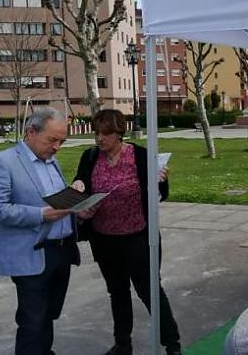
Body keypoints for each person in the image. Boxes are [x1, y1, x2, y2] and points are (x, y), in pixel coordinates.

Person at [71, 109, 182, 355]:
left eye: (106, 134)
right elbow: (81, 184)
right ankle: (123, 344)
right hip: (104, 238)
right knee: (117, 292)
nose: (100, 139)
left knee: (150, 291)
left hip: (138, 236)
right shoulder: (90, 157)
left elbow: (161, 194)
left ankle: (172, 345)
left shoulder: (140, 156)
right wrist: (79, 194)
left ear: (119, 133)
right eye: (97, 133)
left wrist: (161, 181)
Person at [0, 107, 80, 355]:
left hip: (60, 252)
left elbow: (53, 198)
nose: (57, 147)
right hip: (31, 254)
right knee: (32, 322)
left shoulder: (51, 160)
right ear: (30, 132)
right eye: (52, 140)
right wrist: (40, 214)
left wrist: (76, 199)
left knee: (47, 316)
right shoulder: (3, 162)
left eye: (62, 141)